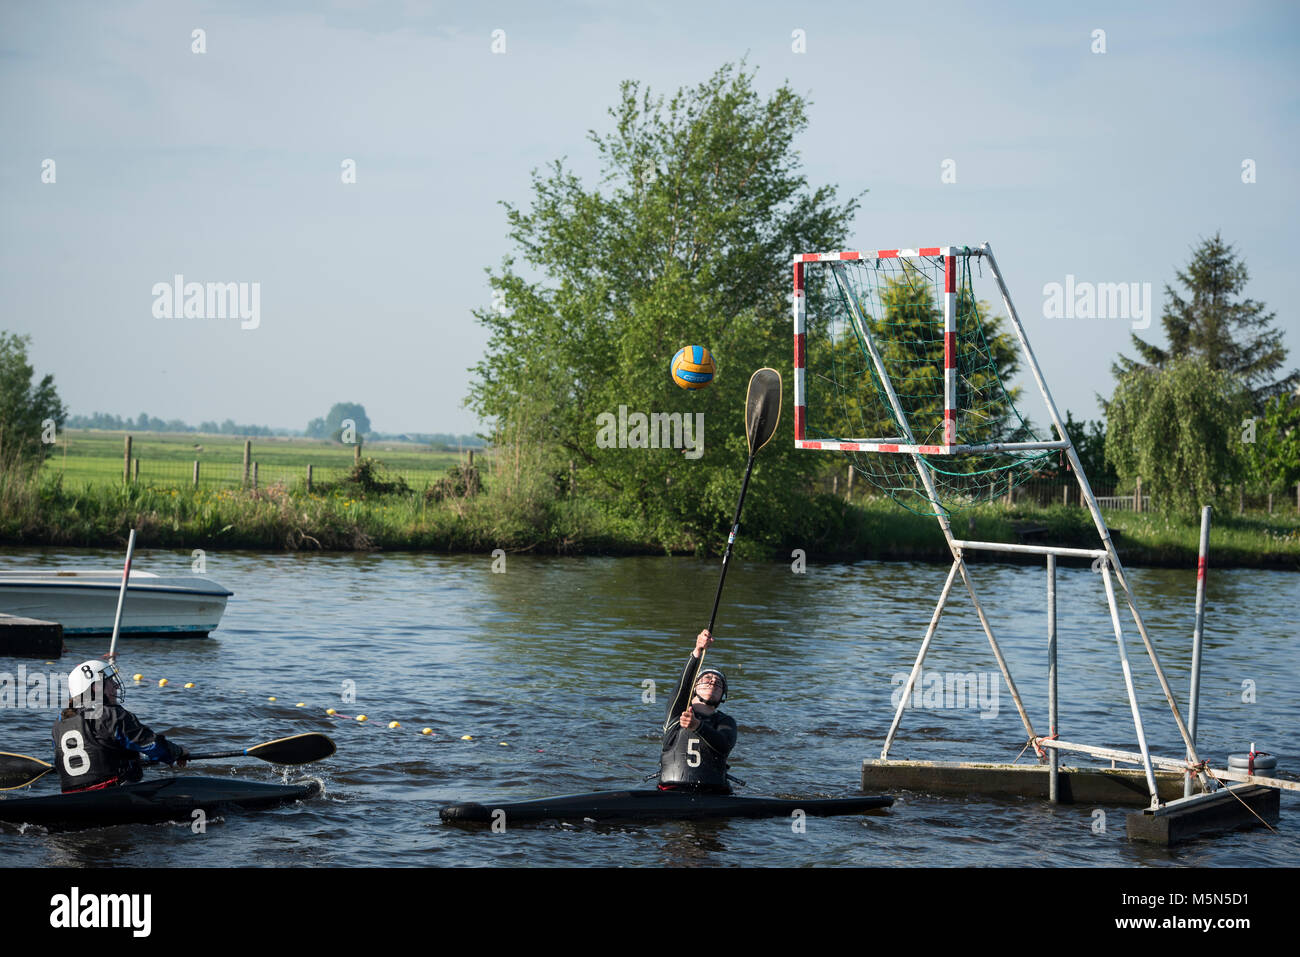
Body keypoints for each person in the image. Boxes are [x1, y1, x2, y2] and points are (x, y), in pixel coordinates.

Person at [53, 659, 189, 793]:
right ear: (97, 687)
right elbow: (154, 746)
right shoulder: (111, 714)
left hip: (70, 796)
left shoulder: (60, 722)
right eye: (111, 682)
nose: (116, 686)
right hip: (112, 793)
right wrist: (179, 752)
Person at [658, 629, 736, 793]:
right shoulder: (677, 713)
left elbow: (723, 746)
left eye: (718, 683)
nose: (712, 683)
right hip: (670, 791)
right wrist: (697, 651)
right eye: (707, 679)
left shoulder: (725, 722)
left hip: (714, 793)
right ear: (694, 688)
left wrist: (697, 726)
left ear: (723, 695)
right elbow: (682, 686)